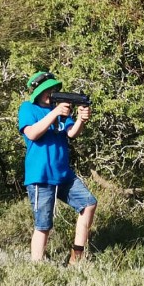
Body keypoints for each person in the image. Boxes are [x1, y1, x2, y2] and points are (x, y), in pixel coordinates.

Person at [18, 71, 97, 263]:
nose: (50, 93)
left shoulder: (60, 111)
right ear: (37, 92)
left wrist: (81, 120)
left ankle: (76, 258)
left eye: (53, 89)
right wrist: (55, 112)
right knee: (43, 225)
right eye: (47, 90)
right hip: (41, 175)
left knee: (89, 203)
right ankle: (37, 266)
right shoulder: (28, 108)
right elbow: (32, 133)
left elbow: (71, 133)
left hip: (63, 174)